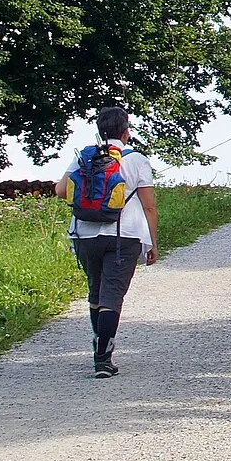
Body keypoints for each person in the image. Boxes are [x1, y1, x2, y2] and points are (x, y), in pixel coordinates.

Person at [58, 105, 159, 378]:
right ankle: (103, 358)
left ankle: (98, 344)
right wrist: (152, 243)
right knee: (112, 295)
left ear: (99, 131)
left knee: (95, 291)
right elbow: (149, 206)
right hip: (124, 236)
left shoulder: (86, 155)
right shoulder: (136, 159)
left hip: (84, 233)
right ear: (126, 132)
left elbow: (59, 189)